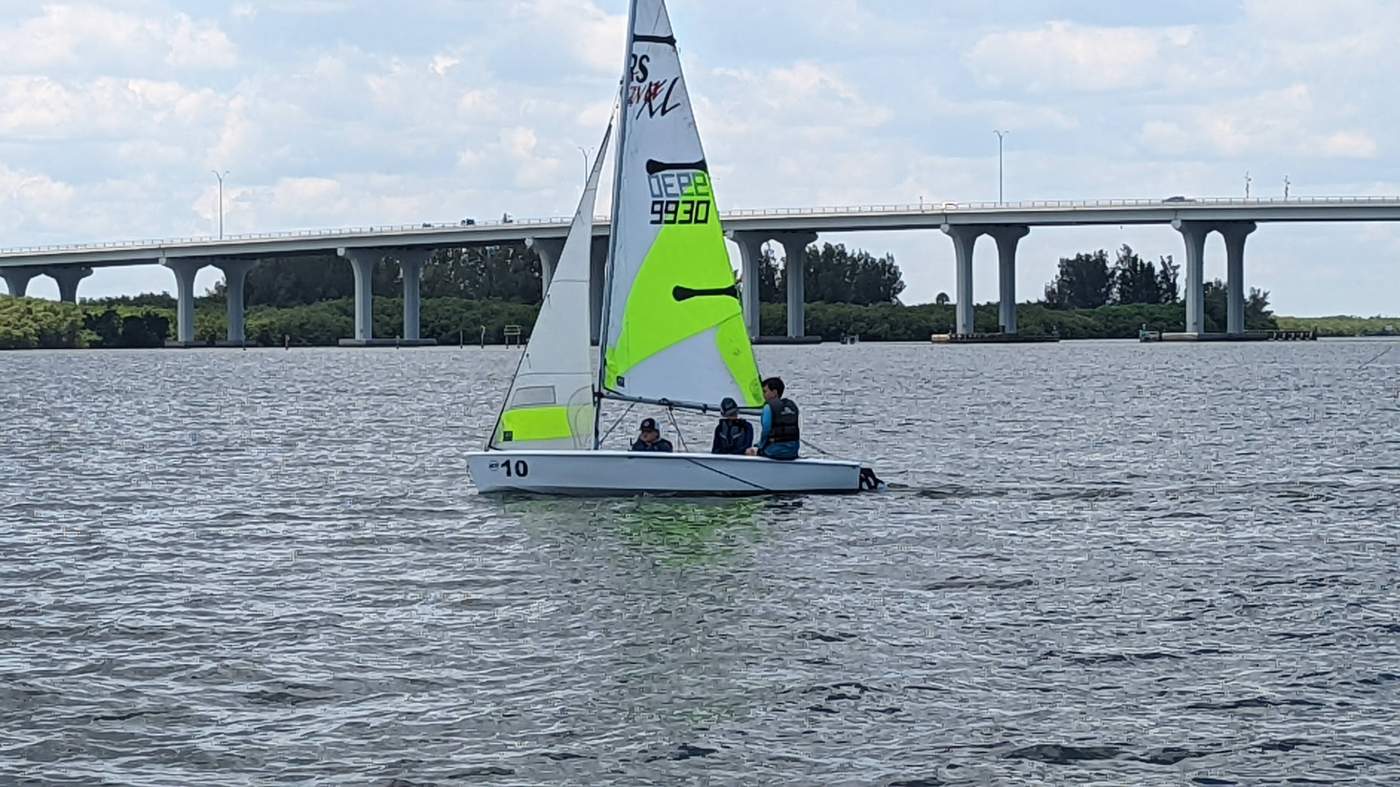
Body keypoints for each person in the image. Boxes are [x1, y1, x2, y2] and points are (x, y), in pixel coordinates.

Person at [746, 376, 800, 460]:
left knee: (750, 451)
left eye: (765, 391)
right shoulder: (792, 406)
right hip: (793, 451)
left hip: (775, 452)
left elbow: (766, 430)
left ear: (774, 392)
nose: (763, 395)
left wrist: (759, 447)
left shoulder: (768, 408)